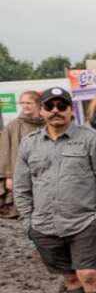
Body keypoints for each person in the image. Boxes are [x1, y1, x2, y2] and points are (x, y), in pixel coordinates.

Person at [14, 86, 96, 293]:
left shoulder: (91, 139)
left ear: (70, 110)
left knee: (89, 275)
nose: (55, 111)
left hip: (85, 222)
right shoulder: (29, 144)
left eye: (61, 106)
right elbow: (21, 186)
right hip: (45, 225)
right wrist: (29, 223)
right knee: (70, 277)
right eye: (49, 106)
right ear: (42, 111)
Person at [0, 90, 44, 219]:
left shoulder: (48, 124)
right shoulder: (13, 126)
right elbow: (5, 151)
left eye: (29, 103)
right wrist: (8, 176)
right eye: (22, 103)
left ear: (38, 104)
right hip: (21, 173)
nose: (25, 106)